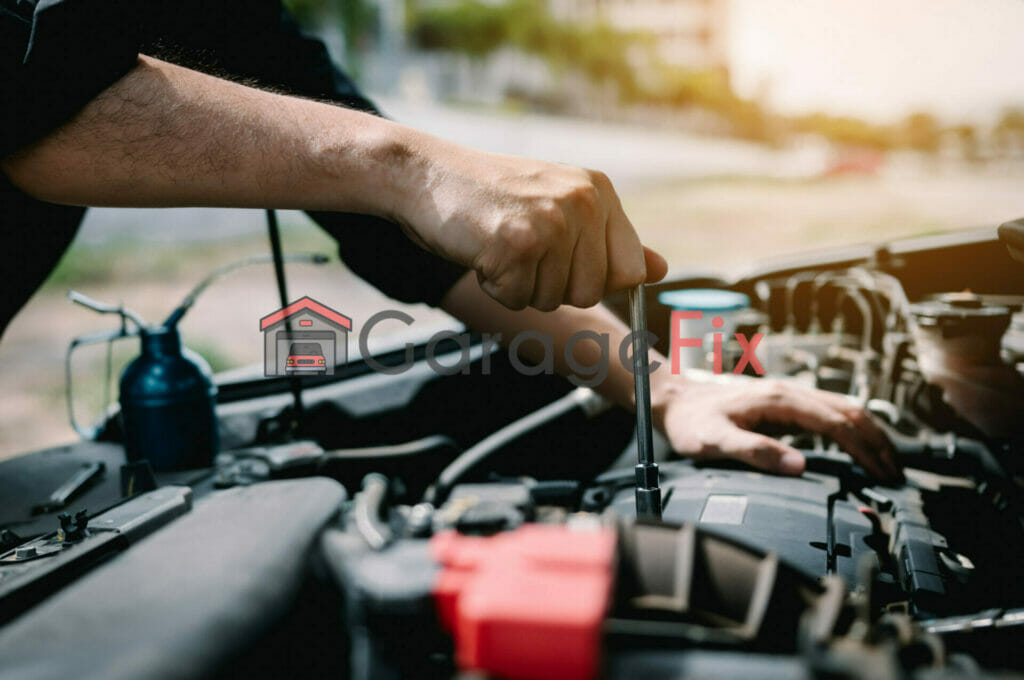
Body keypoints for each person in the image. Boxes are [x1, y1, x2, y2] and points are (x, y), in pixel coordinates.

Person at [0, 0, 900, 480]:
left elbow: (413, 243)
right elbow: (31, 86)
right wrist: (409, 165)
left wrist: (662, 389)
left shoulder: (232, 19)